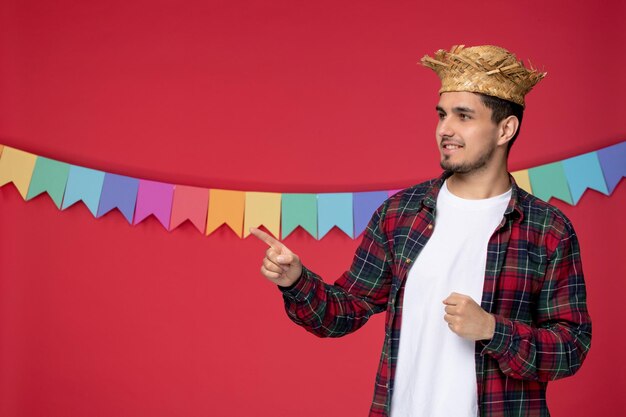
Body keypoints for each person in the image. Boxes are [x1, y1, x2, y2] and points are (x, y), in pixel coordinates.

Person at [251, 44, 592, 417]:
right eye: (442, 115)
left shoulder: (547, 229)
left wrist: (493, 330)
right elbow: (343, 311)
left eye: (464, 116)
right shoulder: (401, 214)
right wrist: (295, 280)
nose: (445, 129)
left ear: (505, 129)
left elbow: (570, 348)